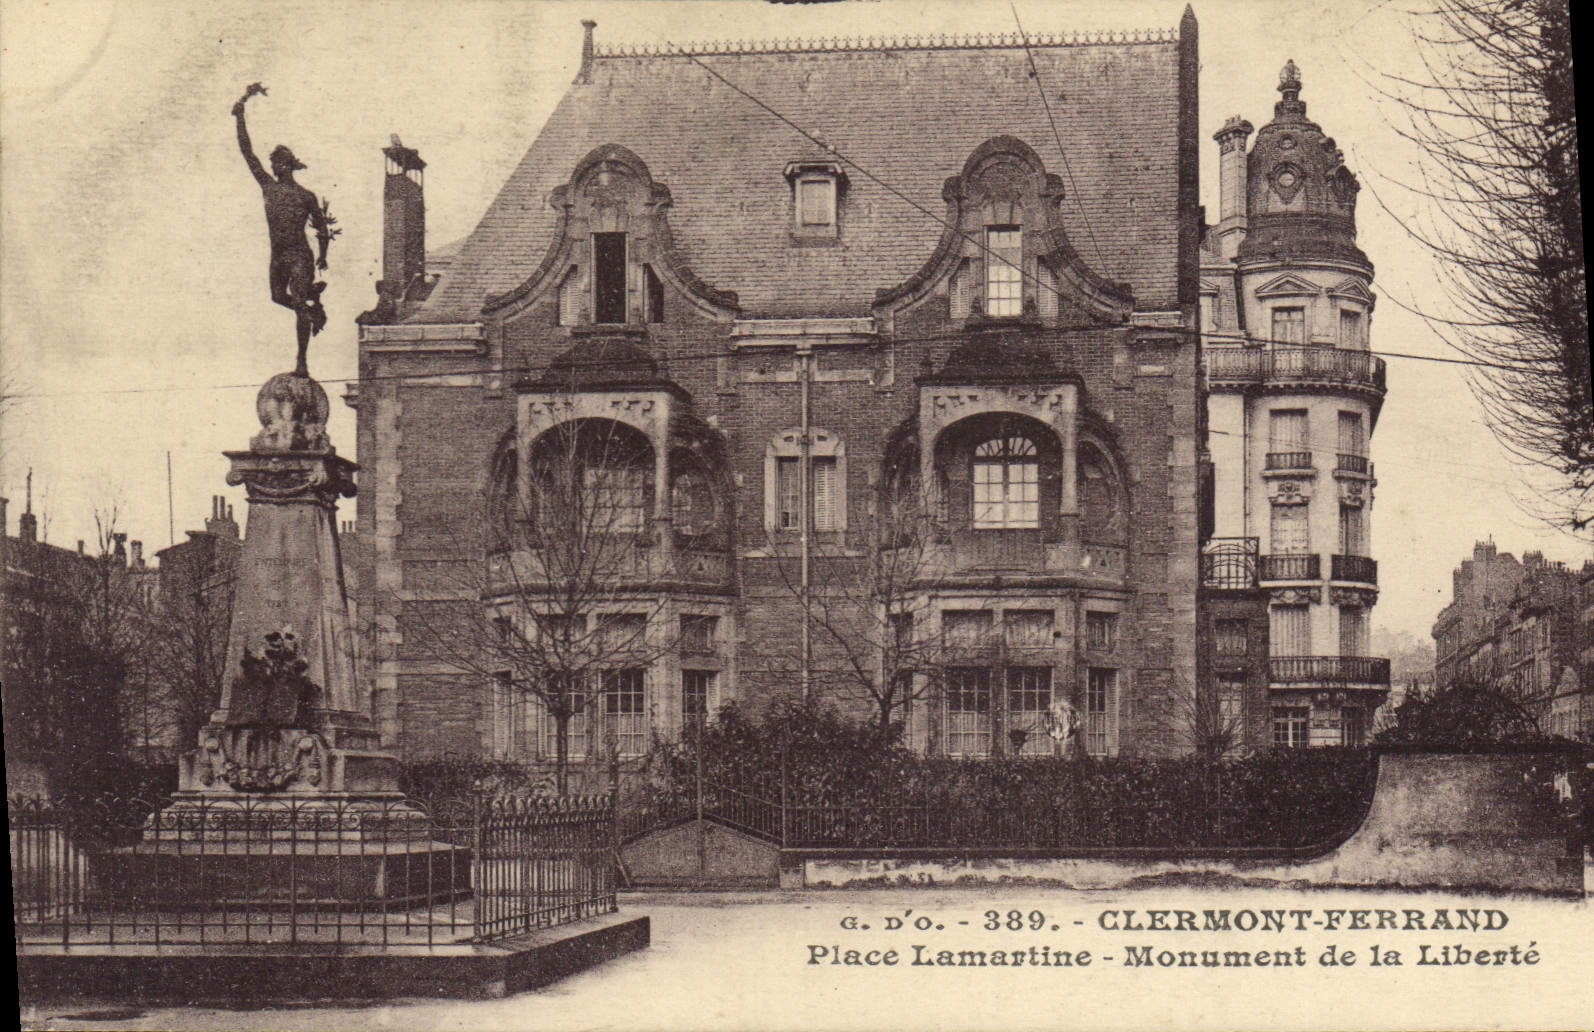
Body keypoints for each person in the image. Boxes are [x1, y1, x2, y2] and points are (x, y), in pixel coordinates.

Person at [232, 83, 331, 376]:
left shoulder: (305, 195)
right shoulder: (269, 188)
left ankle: (302, 361)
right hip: (279, 254)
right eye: (274, 163)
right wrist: (240, 117)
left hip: (299, 254)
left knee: (298, 301)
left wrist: (323, 255)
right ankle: (313, 310)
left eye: (279, 163)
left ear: (288, 165)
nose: (275, 167)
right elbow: (247, 153)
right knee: (277, 297)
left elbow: (321, 226)